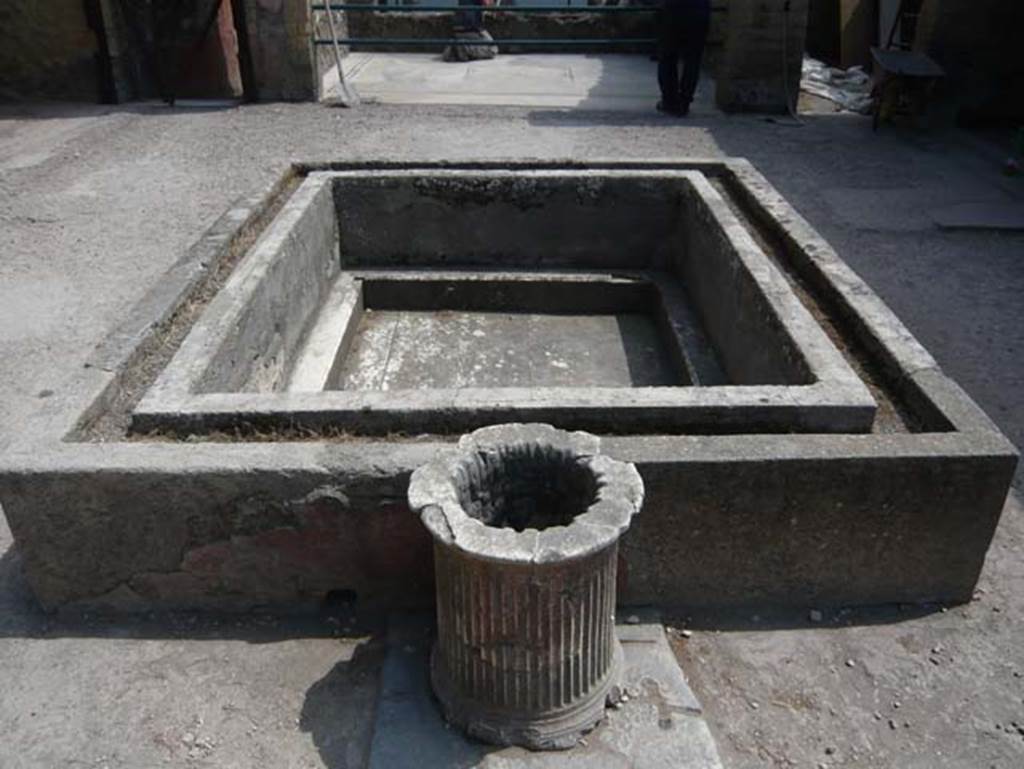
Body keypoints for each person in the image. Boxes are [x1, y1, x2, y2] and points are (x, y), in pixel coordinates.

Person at [656, 0, 711, 117]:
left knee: (667, 57)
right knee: (693, 59)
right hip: (698, 10)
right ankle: (684, 102)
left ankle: (669, 100)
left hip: (672, 9)